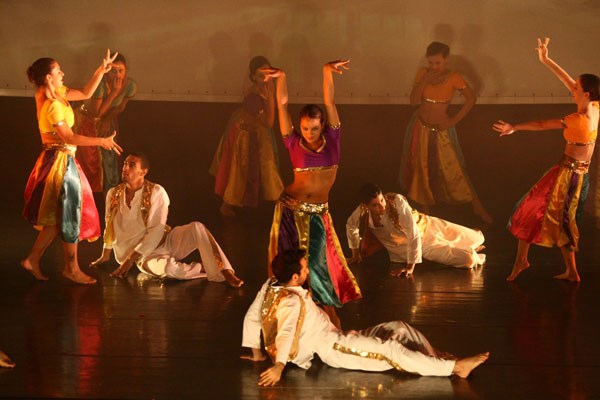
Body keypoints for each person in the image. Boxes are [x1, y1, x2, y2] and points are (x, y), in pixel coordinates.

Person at [241, 249, 489, 386]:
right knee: (390, 350)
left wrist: (256, 352)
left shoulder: (270, 284)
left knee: (398, 327)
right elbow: (285, 332)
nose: (308, 270)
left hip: (336, 334)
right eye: (305, 268)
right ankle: (455, 368)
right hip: (331, 347)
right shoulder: (290, 301)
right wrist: (279, 365)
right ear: (295, 277)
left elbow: (252, 315)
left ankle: (438, 358)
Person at [261, 60, 362, 328]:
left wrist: (327, 71)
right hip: (290, 211)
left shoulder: (333, 140)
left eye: (314, 128)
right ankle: (289, 320)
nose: (308, 133)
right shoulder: (293, 142)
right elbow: (282, 106)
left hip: (318, 213)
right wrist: (282, 76)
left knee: (319, 265)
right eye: (305, 128)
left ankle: (332, 320)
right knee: (291, 268)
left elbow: (330, 102)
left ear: (323, 125)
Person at [493, 38, 599, 283]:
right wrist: (546, 59)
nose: (571, 88)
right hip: (577, 175)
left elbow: (542, 124)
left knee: (543, 215)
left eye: (576, 87)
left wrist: (514, 127)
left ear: (586, 93)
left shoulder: (578, 119)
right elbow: (567, 79)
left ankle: (555, 267)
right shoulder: (595, 107)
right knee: (550, 216)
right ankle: (553, 267)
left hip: (567, 177)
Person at [21, 51, 123, 285]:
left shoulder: (58, 94)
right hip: (60, 162)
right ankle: (72, 268)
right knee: (70, 212)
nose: (63, 73)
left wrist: (101, 70)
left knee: (58, 217)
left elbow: (86, 93)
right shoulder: (52, 105)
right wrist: (101, 141)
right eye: (58, 71)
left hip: (60, 159)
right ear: (48, 77)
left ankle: (33, 259)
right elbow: (69, 137)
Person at [90, 153, 243, 287]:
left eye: (131, 165)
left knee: (197, 227)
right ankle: (203, 268)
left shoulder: (156, 191)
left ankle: (225, 270)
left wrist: (129, 259)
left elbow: (156, 230)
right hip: (145, 257)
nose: (125, 168)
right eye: (124, 164)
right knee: (169, 269)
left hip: (166, 240)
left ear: (143, 171)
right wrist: (105, 255)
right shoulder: (113, 194)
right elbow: (109, 225)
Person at [398, 41, 492, 224]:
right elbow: (413, 101)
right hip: (420, 126)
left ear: (446, 60)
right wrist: (425, 79)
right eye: (431, 62)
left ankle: (477, 206)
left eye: (438, 63)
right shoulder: (423, 73)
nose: (434, 66)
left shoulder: (453, 77)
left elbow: (471, 99)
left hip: (442, 129)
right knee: (421, 167)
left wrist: (453, 121)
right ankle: (426, 211)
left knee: (455, 168)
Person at [346, 183, 485, 277]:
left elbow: (413, 232)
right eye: (375, 205)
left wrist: (410, 267)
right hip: (424, 247)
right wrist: (355, 254)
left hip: (429, 226)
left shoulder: (396, 201)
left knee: (478, 238)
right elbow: (351, 226)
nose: (382, 207)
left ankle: (468, 244)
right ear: (366, 206)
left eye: (382, 200)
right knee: (469, 260)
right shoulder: (361, 212)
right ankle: (468, 250)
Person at [210, 56, 283, 216]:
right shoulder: (256, 93)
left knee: (267, 165)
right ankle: (227, 205)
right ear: (254, 77)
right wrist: (269, 101)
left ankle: (279, 201)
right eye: (261, 75)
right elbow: (269, 122)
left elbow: (267, 122)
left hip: (257, 132)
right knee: (240, 169)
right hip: (244, 133)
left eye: (269, 73)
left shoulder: (268, 88)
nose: (266, 78)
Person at [75, 52, 137, 192]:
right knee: (91, 163)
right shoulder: (101, 85)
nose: (117, 75)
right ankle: (89, 195)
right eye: (113, 71)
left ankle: (110, 196)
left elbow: (120, 107)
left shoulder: (130, 85)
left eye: (121, 71)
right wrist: (114, 92)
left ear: (126, 70)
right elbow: (97, 114)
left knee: (110, 160)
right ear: (107, 72)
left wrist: (108, 119)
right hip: (88, 121)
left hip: (108, 120)